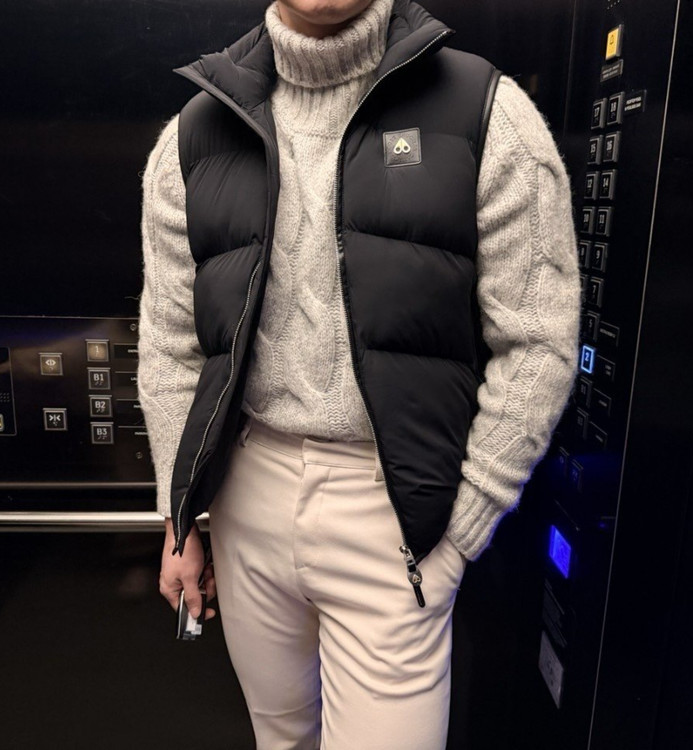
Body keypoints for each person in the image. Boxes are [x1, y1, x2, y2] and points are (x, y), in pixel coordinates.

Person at [137, 0, 581, 747]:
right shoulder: (196, 132)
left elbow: (539, 340)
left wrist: (462, 527)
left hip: (397, 513)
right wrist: (180, 516)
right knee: (280, 738)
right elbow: (171, 345)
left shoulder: (486, 112)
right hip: (247, 499)